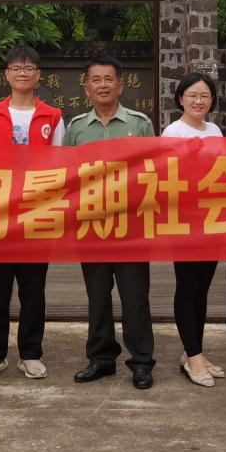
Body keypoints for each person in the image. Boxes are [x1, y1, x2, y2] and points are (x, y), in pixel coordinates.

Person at [64, 54, 156, 390]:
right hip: (91, 226)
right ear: (87, 88)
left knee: (135, 298)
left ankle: (141, 362)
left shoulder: (140, 124)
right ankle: (101, 358)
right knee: (97, 296)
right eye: (96, 80)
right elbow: (65, 176)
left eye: (108, 79)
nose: (103, 85)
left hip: (131, 227)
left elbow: (154, 170)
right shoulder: (76, 128)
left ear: (120, 85)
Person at [0, 45, 64, 379]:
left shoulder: (53, 116)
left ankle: (30, 353)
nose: (22, 73)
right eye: (16, 68)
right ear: (7, 75)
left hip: (36, 214)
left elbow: (59, 165)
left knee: (33, 289)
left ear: (38, 76)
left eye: (29, 68)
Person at [162, 72, 224, 387]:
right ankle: (194, 355)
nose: (199, 101)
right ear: (181, 99)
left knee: (202, 288)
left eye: (205, 96)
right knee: (187, 286)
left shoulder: (215, 130)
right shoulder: (173, 131)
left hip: (212, 218)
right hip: (185, 220)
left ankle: (193, 351)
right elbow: (168, 174)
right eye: (192, 95)